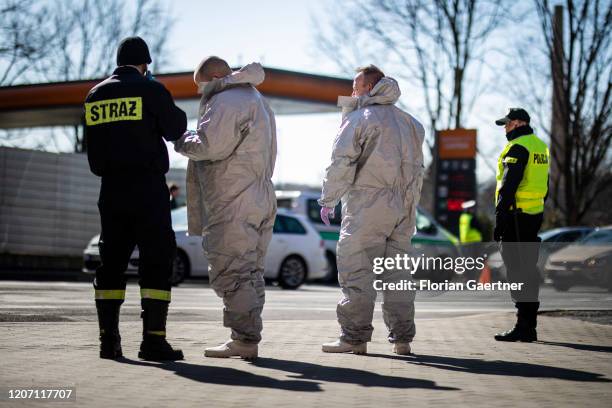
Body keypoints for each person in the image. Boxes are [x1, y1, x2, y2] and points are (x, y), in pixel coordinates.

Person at [85, 36, 186, 361]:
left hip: (111, 191)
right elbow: (175, 128)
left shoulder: (95, 95)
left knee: (111, 264)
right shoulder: (151, 90)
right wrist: (157, 95)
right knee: (156, 260)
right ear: (145, 64)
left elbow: (94, 152)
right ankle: (153, 341)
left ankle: (108, 342)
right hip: (147, 189)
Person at [174, 57, 276, 359]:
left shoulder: (227, 100)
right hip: (258, 194)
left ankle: (244, 339)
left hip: (234, 197)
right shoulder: (256, 98)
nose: (199, 91)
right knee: (250, 271)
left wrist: (179, 139)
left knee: (232, 270)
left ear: (217, 76)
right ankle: (246, 335)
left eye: (200, 84)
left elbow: (208, 146)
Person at [319, 65, 425, 355]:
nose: (352, 92)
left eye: (356, 86)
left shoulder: (359, 118)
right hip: (404, 207)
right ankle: (402, 339)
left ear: (369, 87)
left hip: (368, 205)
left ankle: (354, 337)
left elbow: (342, 162)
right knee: (398, 272)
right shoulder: (412, 124)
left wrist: (328, 198)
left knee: (357, 269)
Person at [493, 108, 549, 342]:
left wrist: (500, 218)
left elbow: (508, 186)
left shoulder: (518, 147)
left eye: (507, 124)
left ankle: (523, 326)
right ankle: (529, 326)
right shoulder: (540, 146)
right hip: (533, 215)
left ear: (518, 123)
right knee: (528, 269)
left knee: (517, 271)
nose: (505, 128)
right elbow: (545, 182)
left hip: (515, 217)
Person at [459, 200, 483, 279]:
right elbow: (480, 228)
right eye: (471, 209)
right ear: (468, 209)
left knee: (467, 262)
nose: (473, 210)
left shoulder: (462, 218)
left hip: (464, 243)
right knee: (475, 261)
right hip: (474, 243)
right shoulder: (472, 219)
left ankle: (467, 278)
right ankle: (473, 279)